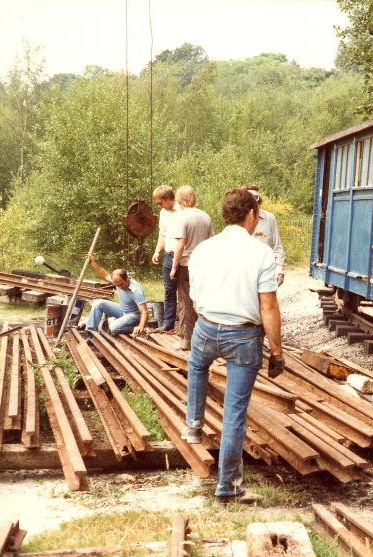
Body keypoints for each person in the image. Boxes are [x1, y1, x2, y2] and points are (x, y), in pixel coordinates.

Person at [183, 187, 284, 504]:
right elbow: (268, 307)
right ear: (252, 214)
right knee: (234, 414)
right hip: (243, 336)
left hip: (206, 327)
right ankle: (228, 486)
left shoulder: (203, 250)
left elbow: (195, 300)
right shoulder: (261, 254)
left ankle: (193, 426)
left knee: (198, 367)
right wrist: (277, 351)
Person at [170, 185, 212, 350]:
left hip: (187, 264)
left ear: (181, 200)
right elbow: (211, 241)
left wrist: (174, 267)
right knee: (202, 301)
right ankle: (204, 339)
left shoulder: (182, 217)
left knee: (186, 301)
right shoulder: (205, 216)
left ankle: (186, 340)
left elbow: (180, 244)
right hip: (204, 264)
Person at [84, 256, 148, 336]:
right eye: (117, 285)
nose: (120, 287)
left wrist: (141, 326)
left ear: (127, 279)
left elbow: (144, 311)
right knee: (98, 303)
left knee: (113, 327)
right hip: (122, 310)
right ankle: (90, 331)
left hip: (134, 316)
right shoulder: (118, 281)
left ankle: (137, 328)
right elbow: (104, 274)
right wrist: (93, 263)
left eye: (121, 284)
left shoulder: (136, 290)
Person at [151, 185, 180, 331]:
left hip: (184, 258)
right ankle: (168, 324)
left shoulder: (183, 211)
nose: (159, 206)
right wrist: (157, 251)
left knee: (186, 292)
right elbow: (162, 234)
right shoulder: (163, 213)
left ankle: (188, 325)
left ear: (168, 199)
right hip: (169, 256)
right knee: (169, 290)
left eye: (160, 203)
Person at [246, 184, 286, 286]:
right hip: (246, 270)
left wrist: (280, 269)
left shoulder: (269, 218)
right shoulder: (240, 218)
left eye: (255, 198)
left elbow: (277, 245)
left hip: (266, 269)